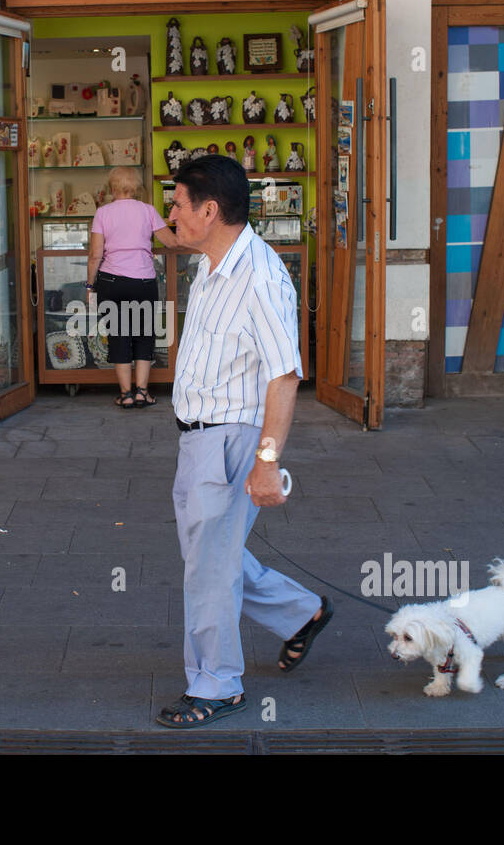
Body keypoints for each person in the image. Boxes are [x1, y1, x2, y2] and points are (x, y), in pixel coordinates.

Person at [156, 154, 332, 729]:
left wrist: (266, 461)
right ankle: (302, 613)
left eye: (178, 203)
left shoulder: (258, 275)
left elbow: (285, 374)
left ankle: (217, 684)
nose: (172, 213)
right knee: (211, 554)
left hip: (231, 439)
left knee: (208, 566)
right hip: (198, 439)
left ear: (209, 210)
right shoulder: (211, 260)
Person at [86, 166, 180, 408]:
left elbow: (95, 255)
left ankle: (126, 394)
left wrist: (89, 285)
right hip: (143, 281)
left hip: (111, 281)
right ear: (136, 186)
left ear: (112, 187)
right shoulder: (148, 210)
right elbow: (171, 243)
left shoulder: (103, 213)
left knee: (118, 336)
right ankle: (142, 393)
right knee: (143, 337)